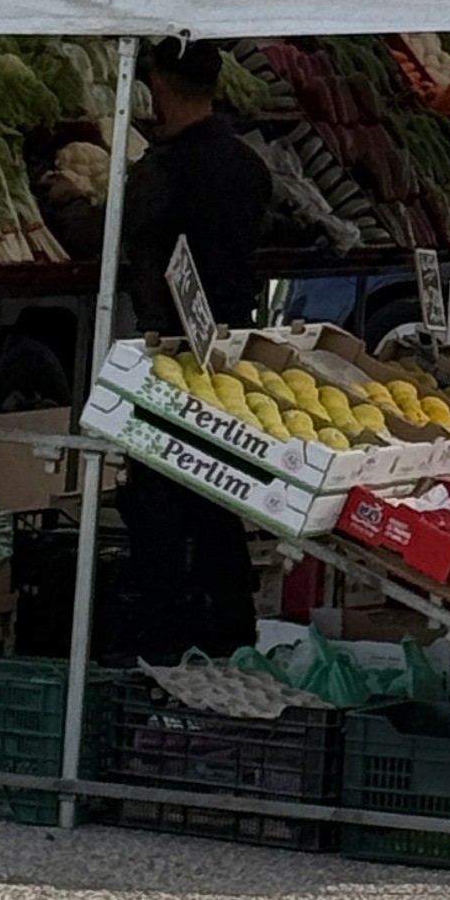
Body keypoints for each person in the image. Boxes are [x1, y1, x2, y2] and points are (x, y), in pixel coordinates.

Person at [45, 38, 274, 662]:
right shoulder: (248, 165)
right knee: (218, 490)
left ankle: (166, 631)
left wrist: (67, 201)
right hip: (229, 348)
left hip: (171, 349)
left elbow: (105, 235)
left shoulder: (163, 170)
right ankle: (232, 625)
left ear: (161, 88)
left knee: (154, 494)